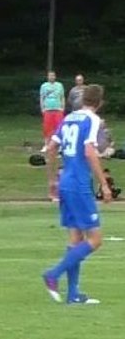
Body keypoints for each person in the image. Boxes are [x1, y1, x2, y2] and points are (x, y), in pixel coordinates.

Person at [42, 84, 111, 305]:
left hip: (65, 182)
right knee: (95, 239)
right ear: (99, 103)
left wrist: (52, 179)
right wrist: (104, 184)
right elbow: (89, 151)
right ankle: (54, 273)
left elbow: (51, 148)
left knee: (75, 238)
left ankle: (73, 294)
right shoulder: (92, 120)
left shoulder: (69, 118)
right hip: (80, 184)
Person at [39, 71, 65, 140]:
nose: (51, 77)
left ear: (55, 77)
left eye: (53, 75)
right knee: (47, 128)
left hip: (58, 109)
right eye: (50, 76)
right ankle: (46, 144)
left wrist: (63, 108)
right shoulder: (44, 86)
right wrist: (42, 108)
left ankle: (59, 143)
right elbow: (42, 98)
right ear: (47, 77)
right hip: (47, 109)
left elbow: (62, 97)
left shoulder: (59, 85)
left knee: (59, 127)